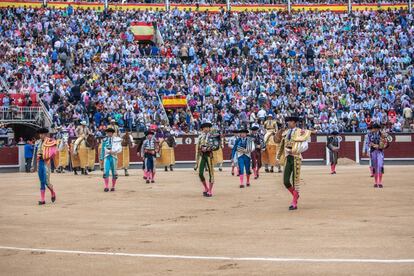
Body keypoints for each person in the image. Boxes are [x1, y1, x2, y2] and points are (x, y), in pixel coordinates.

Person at [276, 116, 312, 210]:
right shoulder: (286, 132)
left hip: (296, 158)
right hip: (288, 158)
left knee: (295, 180)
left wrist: (295, 150)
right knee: (286, 181)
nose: (288, 123)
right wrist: (278, 157)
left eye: (290, 121)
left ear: (295, 123)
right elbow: (282, 145)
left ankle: (294, 202)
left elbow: (305, 146)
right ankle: (295, 195)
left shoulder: (301, 132)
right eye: (288, 121)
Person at [31, 128, 57, 205]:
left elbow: (54, 152)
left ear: (45, 134)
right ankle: (42, 200)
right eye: (40, 134)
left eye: (42, 134)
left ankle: (52, 192)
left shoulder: (50, 141)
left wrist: (46, 156)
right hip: (40, 163)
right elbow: (35, 154)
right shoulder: (38, 142)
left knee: (46, 182)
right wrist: (33, 165)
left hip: (46, 163)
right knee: (41, 181)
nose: (40, 135)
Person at [194, 122, 219, 197]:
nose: (206, 129)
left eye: (207, 128)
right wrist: (196, 162)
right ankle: (206, 188)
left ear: (209, 128)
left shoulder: (213, 136)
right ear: (202, 129)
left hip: (209, 155)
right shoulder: (200, 137)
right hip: (202, 155)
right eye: (204, 128)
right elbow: (197, 149)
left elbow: (216, 146)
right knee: (200, 173)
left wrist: (207, 148)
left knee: (211, 173)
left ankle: (210, 191)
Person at [365, 123, 391, 188]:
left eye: (375, 128)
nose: (373, 130)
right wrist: (373, 145)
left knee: (380, 166)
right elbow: (368, 143)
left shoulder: (383, 134)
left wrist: (380, 146)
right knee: (374, 167)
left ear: (378, 129)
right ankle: (376, 182)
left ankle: (380, 182)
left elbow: (387, 144)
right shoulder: (369, 135)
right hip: (373, 152)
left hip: (380, 152)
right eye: (373, 128)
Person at [100, 128, 122, 192]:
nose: (109, 134)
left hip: (113, 157)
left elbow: (119, 148)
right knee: (106, 171)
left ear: (112, 133)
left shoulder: (116, 140)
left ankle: (113, 186)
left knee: (114, 172)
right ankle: (106, 186)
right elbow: (102, 149)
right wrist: (101, 158)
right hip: (107, 157)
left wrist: (114, 151)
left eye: (110, 132)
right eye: (108, 132)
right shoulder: (104, 140)